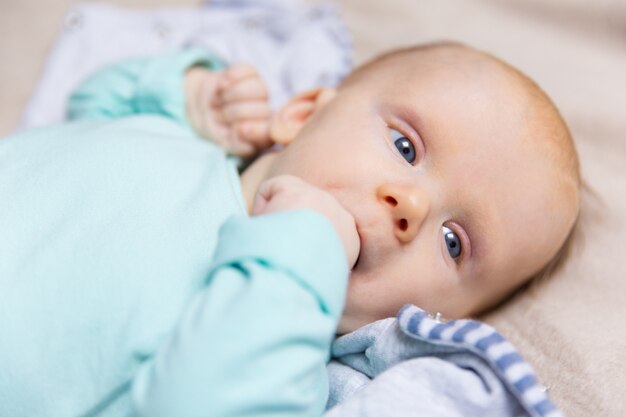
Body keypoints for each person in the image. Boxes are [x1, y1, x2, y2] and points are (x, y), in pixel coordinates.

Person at [0, 42, 579, 417]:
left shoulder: (288, 366)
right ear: (302, 115)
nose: (411, 205)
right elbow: (91, 103)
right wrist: (188, 95)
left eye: (454, 243)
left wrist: (303, 258)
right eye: (406, 146)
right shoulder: (184, 139)